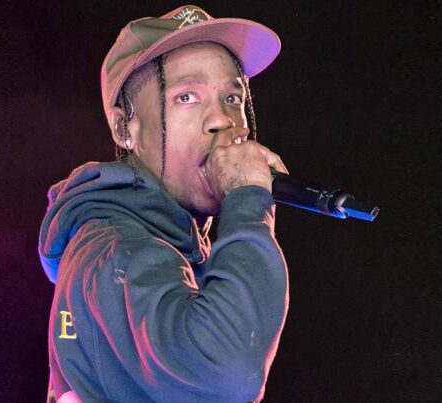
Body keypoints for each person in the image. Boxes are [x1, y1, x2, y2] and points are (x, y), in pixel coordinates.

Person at [38, 6, 289, 402]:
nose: (222, 120)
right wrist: (248, 201)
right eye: (186, 97)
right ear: (125, 128)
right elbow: (226, 374)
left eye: (232, 97)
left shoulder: (166, 247)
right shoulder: (118, 249)